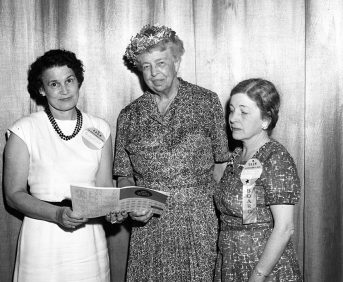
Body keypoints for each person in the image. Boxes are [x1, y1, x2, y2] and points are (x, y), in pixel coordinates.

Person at [112, 24, 229, 281]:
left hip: (199, 223)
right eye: (146, 66)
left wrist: (215, 213)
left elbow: (221, 165)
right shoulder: (129, 115)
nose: (154, 73)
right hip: (150, 224)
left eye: (161, 62)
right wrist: (133, 203)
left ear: (176, 60)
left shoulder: (206, 102)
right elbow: (124, 176)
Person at [4, 49, 113, 282]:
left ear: (78, 82)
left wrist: (118, 208)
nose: (64, 90)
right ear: (42, 89)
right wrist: (57, 214)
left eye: (69, 80)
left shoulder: (100, 128)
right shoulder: (25, 130)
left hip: (88, 240)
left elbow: (104, 187)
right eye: (54, 84)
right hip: (42, 238)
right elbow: (13, 195)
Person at [214, 78, 302, 281]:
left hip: (263, 267)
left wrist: (259, 275)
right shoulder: (236, 156)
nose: (233, 118)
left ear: (265, 120)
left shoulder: (275, 157)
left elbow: (285, 227)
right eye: (232, 110)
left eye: (243, 112)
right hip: (230, 262)